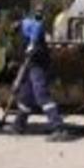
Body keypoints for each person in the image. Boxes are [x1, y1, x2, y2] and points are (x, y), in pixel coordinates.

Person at [8, 11, 66, 139]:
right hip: (30, 64)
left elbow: (38, 26)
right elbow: (20, 53)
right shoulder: (16, 33)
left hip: (38, 64)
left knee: (41, 95)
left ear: (15, 21)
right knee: (25, 96)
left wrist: (33, 43)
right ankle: (19, 125)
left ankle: (58, 127)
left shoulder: (27, 24)